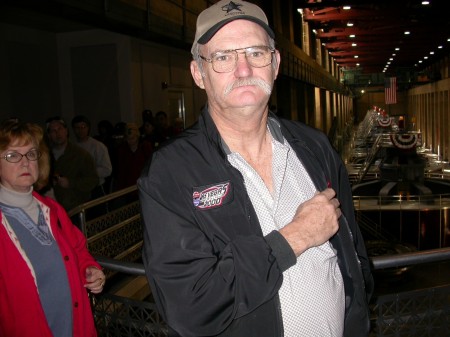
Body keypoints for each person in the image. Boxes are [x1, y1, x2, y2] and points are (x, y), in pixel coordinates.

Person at [138, 1, 374, 337]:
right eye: (223, 57)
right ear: (198, 74)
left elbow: (354, 252)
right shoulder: (171, 172)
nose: (244, 69)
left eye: (256, 53)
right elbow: (190, 306)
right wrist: (294, 238)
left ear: (275, 64)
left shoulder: (314, 147)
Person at [0, 119, 105, 337]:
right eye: (12, 155)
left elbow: (78, 250)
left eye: (31, 154)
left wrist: (90, 269)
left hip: (73, 326)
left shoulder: (52, 209)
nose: (25, 162)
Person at [45, 116, 99, 211]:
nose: (57, 133)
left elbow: (93, 180)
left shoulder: (81, 155)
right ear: (49, 135)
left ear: (66, 131)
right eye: (53, 131)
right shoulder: (44, 156)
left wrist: (70, 183)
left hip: (75, 208)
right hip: (51, 207)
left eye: (60, 129)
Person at [71, 115, 113, 198]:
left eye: (83, 127)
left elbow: (107, 169)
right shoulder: (72, 147)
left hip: (96, 188)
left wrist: (87, 173)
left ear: (88, 128)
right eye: (77, 128)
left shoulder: (98, 146)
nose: (80, 130)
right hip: (78, 189)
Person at [113, 122, 153, 191]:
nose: (130, 141)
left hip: (143, 185)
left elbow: (151, 166)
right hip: (128, 186)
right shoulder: (123, 150)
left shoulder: (145, 147)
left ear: (137, 136)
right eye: (128, 139)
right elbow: (121, 171)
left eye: (132, 138)